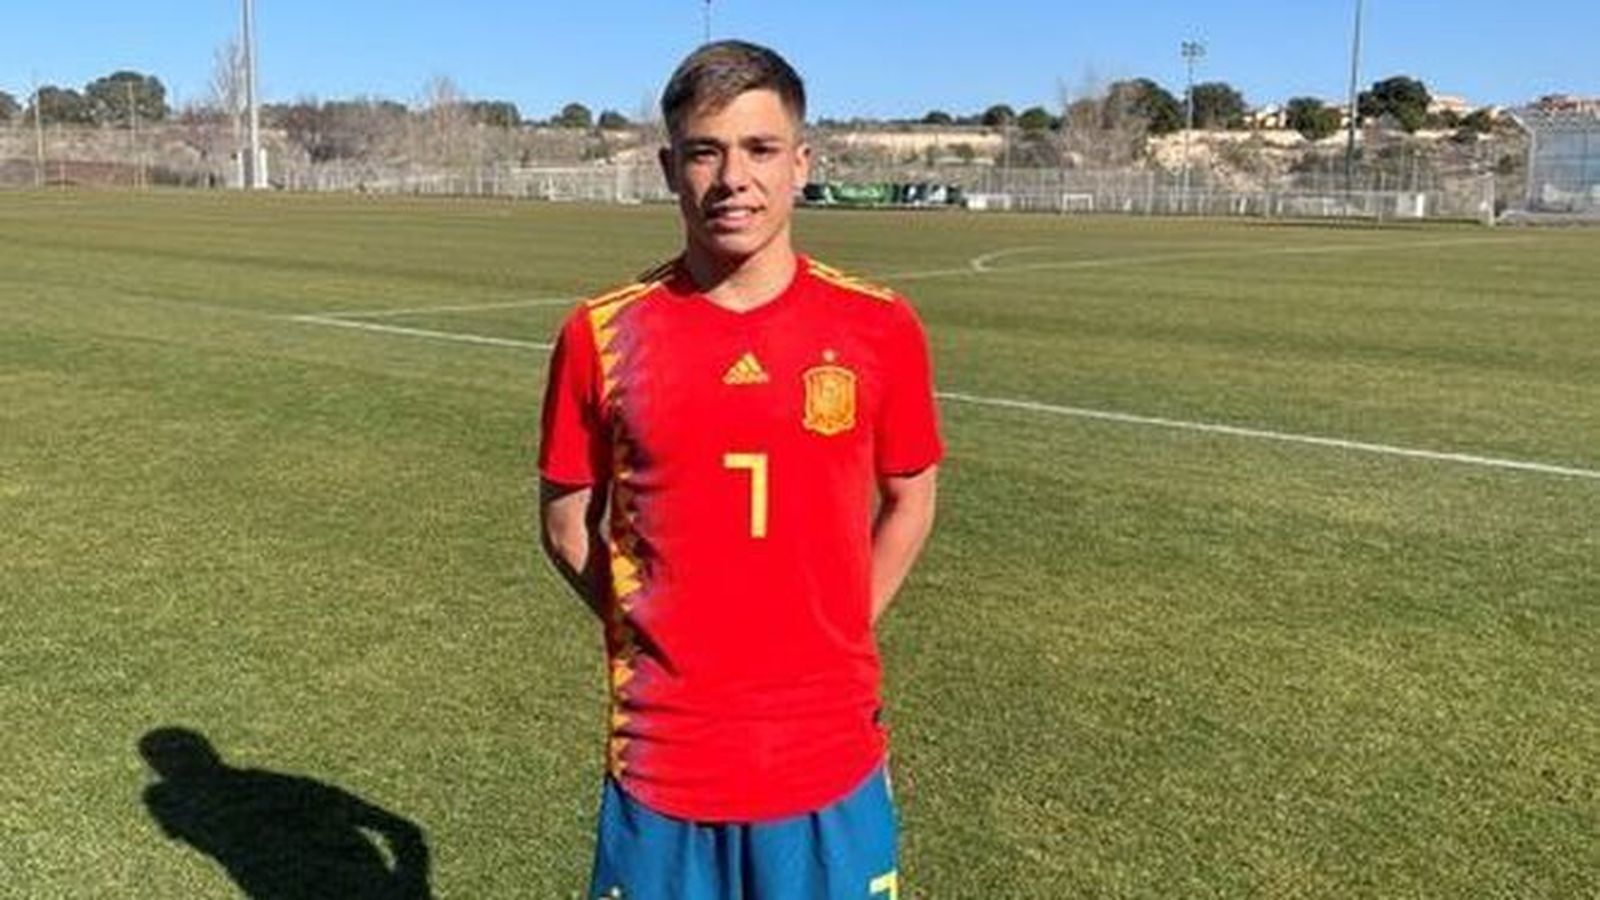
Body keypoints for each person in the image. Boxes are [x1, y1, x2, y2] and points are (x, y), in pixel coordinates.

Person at [539, 39, 941, 899]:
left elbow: (912, 497)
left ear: (802, 163)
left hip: (828, 754)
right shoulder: (599, 336)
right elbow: (566, 524)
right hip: (665, 759)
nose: (734, 179)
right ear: (668, 168)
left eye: (760, 149)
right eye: (704, 152)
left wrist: (840, 623)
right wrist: (653, 630)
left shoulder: (879, 327)